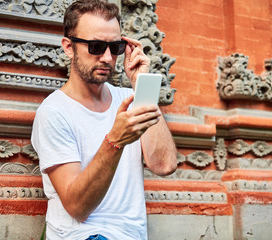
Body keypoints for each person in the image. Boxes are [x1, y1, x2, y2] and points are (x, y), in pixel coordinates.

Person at [31, 0, 177, 239]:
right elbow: (78, 208)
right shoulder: (54, 112)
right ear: (69, 47)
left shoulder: (132, 99)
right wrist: (115, 141)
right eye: (96, 46)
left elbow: (164, 165)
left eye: (116, 47)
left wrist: (142, 85)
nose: (108, 58)